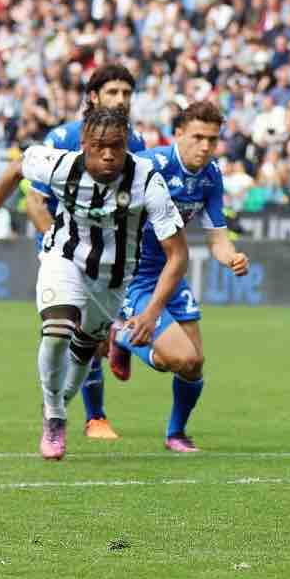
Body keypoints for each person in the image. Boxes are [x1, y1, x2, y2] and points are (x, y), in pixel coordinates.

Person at [0, 105, 188, 460]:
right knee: (56, 331)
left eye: (117, 145)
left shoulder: (146, 180)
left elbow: (177, 254)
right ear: (84, 143)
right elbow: (16, 168)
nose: (108, 154)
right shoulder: (61, 165)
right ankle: (54, 414)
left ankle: (61, 400)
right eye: (99, 146)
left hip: (112, 280)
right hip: (63, 258)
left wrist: (152, 312)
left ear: (127, 143)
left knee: (85, 350)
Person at [108, 102, 249, 453]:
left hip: (171, 272)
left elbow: (217, 237)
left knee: (193, 364)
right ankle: (122, 336)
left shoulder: (211, 175)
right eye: (198, 137)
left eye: (212, 140)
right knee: (183, 358)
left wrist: (231, 257)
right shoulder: (149, 166)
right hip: (134, 274)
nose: (205, 146)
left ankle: (176, 434)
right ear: (179, 134)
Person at [26, 64, 147, 440]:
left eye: (127, 94)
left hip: (110, 261)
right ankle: (89, 415)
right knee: (61, 331)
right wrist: (61, 242)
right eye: (113, 93)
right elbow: (33, 199)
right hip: (64, 250)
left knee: (87, 338)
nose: (121, 100)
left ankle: (109, 348)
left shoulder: (137, 142)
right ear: (93, 97)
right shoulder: (62, 138)